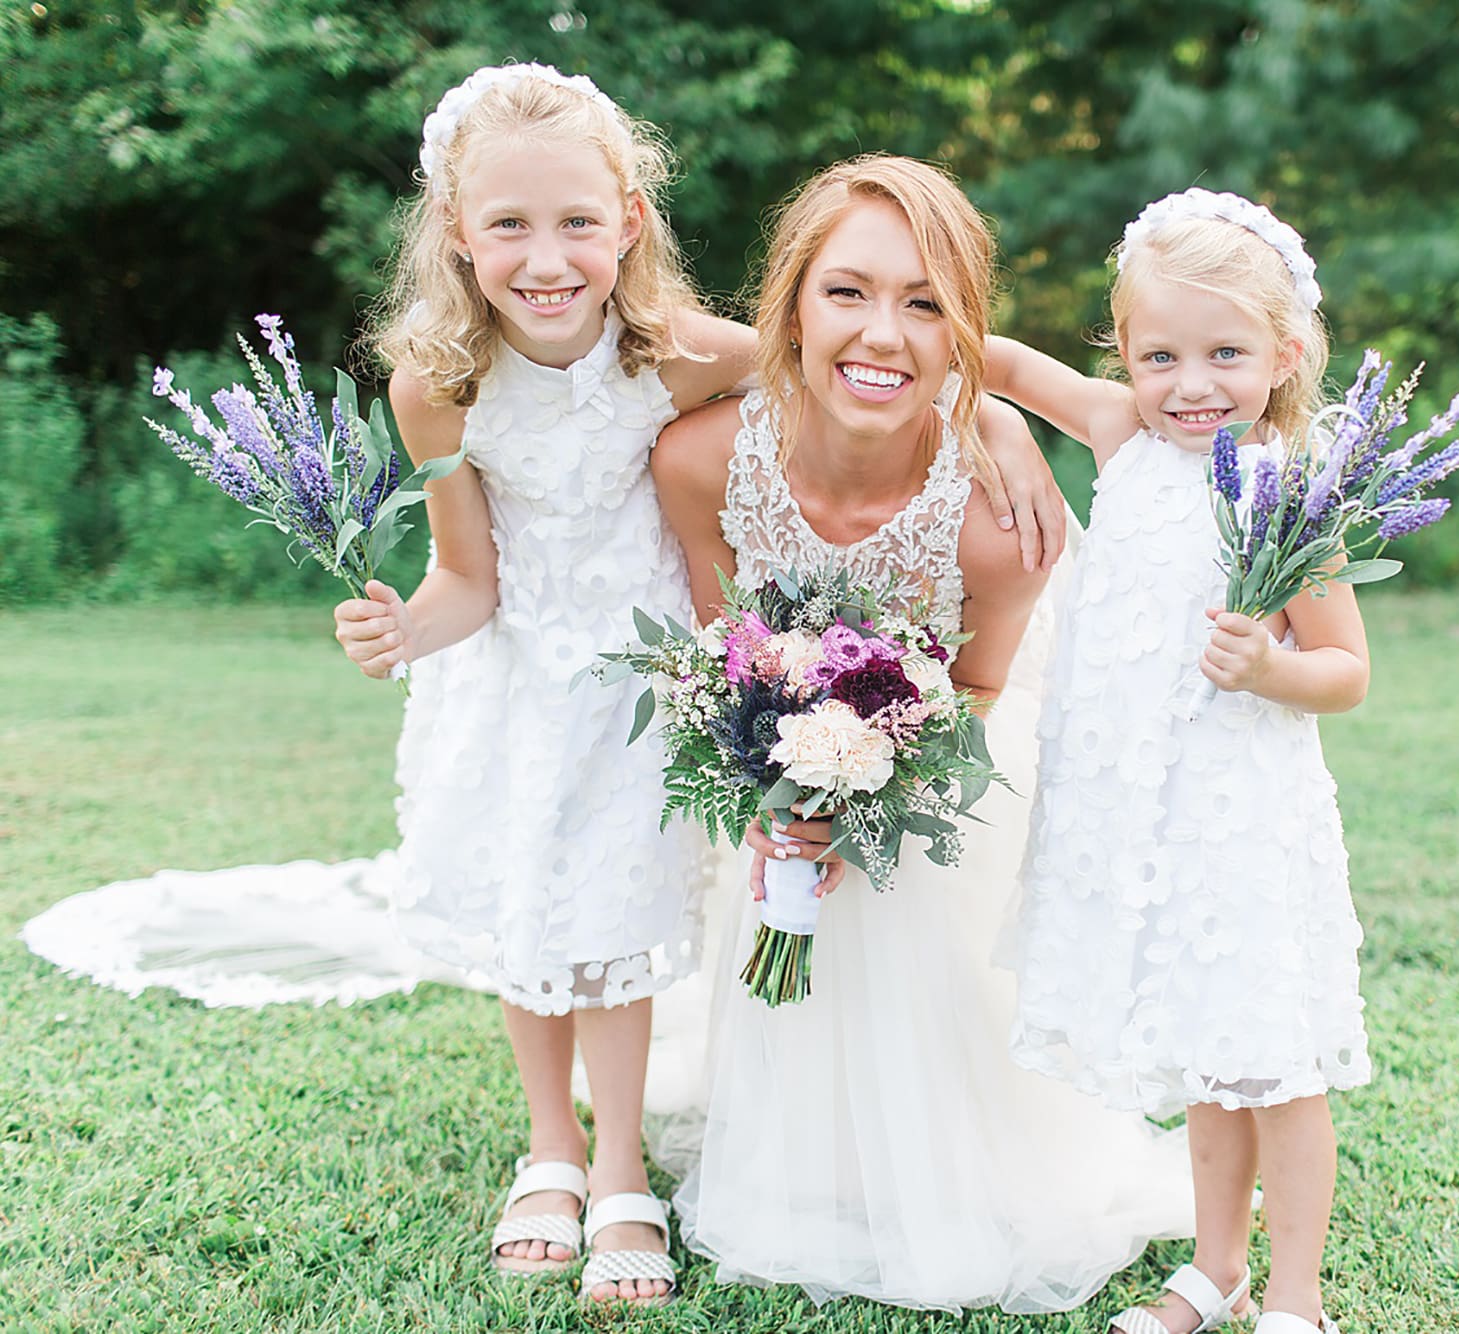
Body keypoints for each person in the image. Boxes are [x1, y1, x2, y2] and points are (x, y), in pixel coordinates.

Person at [20, 64, 1062, 1311]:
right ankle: (550, 1144)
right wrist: (406, 624)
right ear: (457, 235)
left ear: (627, 219)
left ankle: (618, 1160)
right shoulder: (435, 387)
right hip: (513, 682)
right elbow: (466, 573)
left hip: (641, 683)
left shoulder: (681, 355)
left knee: (615, 920)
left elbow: (852, 365)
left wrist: (998, 423)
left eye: (575, 221)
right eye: (507, 224)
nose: (545, 257)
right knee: (531, 912)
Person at [649, 153, 1195, 1315]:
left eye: (923, 303)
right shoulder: (698, 461)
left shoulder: (999, 521)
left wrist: (865, 799)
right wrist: (770, 791)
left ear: (962, 334)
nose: (881, 333)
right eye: (845, 290)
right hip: (788, 792)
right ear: (790, 305)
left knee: (929, 972)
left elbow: (983, 707)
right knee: (781, 890)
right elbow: (722, 657)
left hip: (951, 783)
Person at [988, 188, 1374, 1334]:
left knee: (1273, 1062)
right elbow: (996, 358)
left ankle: (1293, 1295)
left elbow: (1346, 668)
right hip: (1139, 814)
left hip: (1240, 816)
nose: (1188, 383)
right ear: (1123, 350)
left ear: (1282, 351)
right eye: (1158, 353)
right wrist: (972, 399)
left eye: (1222, 352)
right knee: (1210, 1061)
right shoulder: (1117, 433)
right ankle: (1215, 1267)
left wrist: (1267, 665)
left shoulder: (1286, 488)